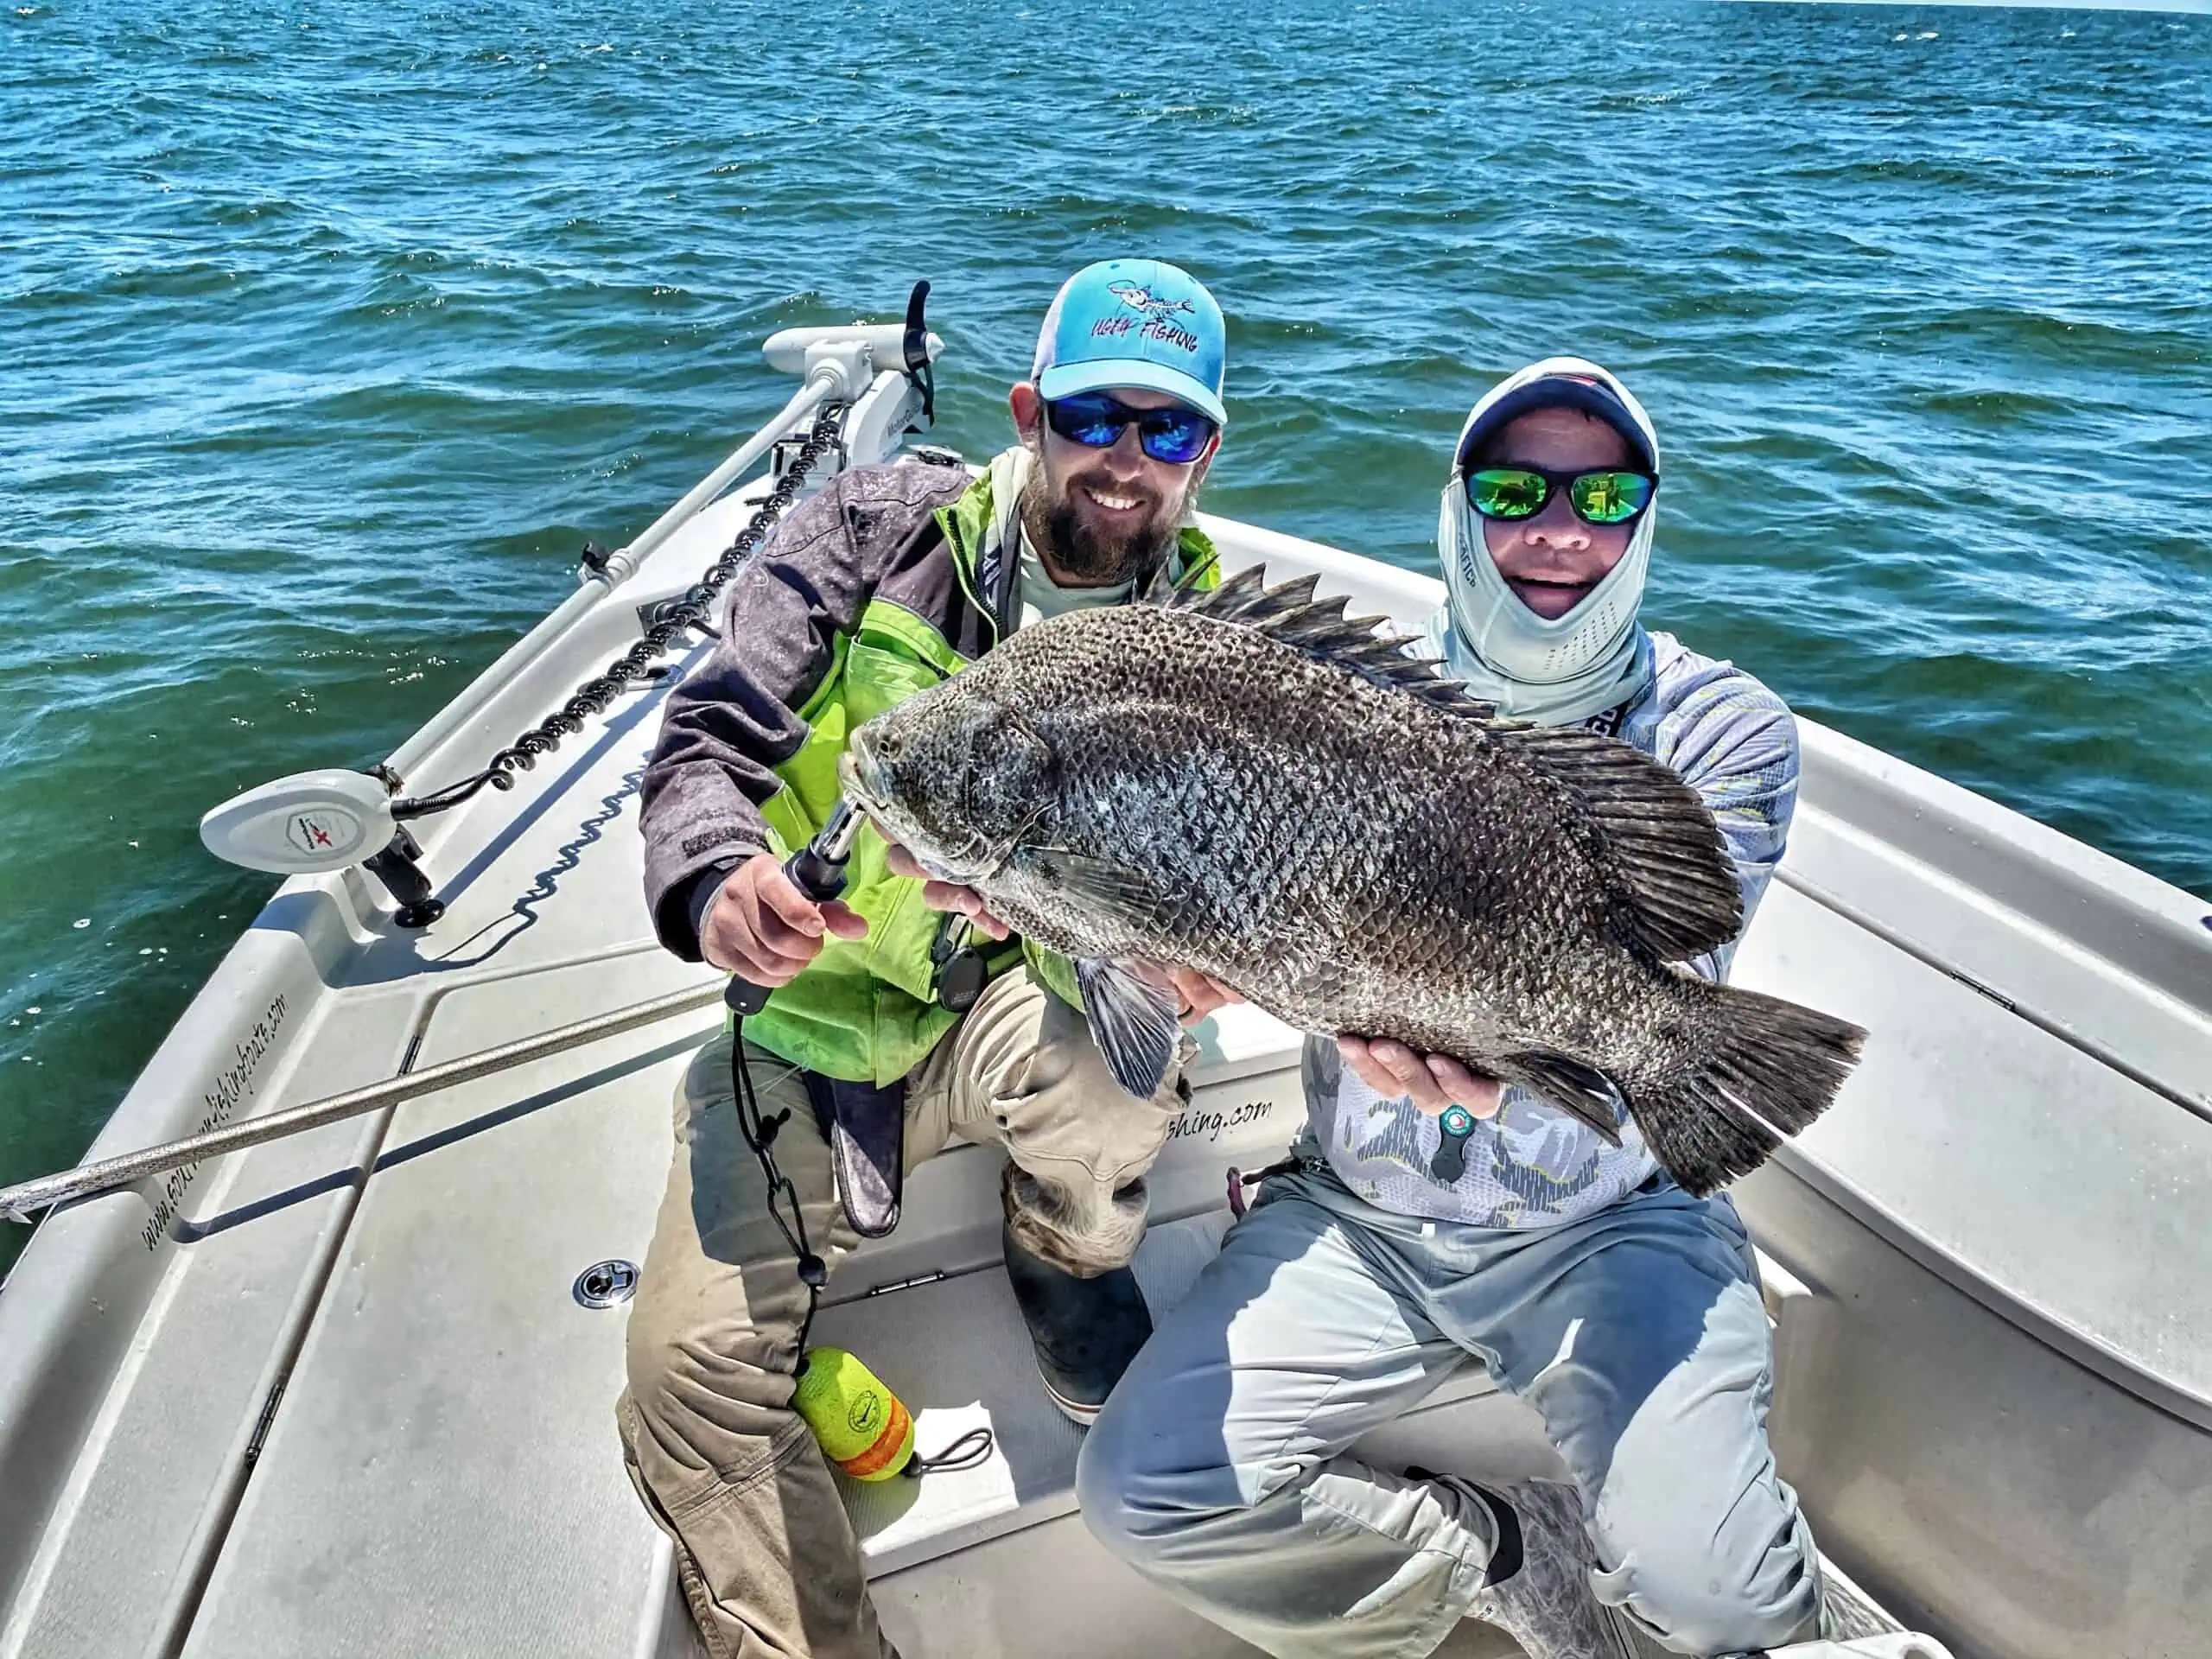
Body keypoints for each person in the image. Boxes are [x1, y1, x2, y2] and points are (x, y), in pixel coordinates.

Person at [1077, 358, 1832, 1659]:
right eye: (1513, 488)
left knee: (1728, 1612)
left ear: (1646, 515)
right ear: (1458, 508)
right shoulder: (1349, 700)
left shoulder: (1725, 724)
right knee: (1143, 1492)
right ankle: (1502, 1554)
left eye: (1603, 494)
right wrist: (1173, 957)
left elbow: (1675, 984)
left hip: (1612, 1224)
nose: (1556, 528)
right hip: (1360, 1215)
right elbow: (1282, 912)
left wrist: (1504, 1035)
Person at [620, 257, 1232, 1659]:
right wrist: (720, 887)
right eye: (1093, 418)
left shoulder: (1210, 643)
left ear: (1209, 451)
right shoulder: (870, 529)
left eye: (1171, 430)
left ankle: (1067, 1244)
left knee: (1125, 1062)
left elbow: (1185, 916)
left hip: (1028, 1004)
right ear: (1029, 414)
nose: (1127, 462)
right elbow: (707, 738)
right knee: (688, 1375)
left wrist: (1193, 961)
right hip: (809, 1022)